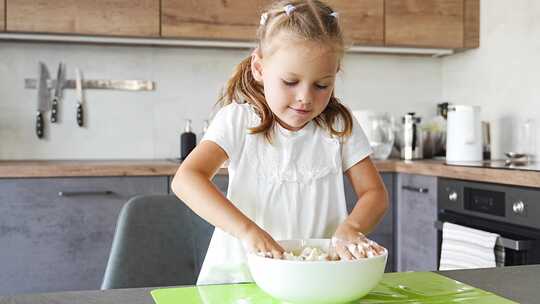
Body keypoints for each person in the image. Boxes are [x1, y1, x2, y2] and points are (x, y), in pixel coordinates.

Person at [171, 0, 388, 285]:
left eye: (322, 85)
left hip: (317, 280)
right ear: (259, 68)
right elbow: (186, 179)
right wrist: (248, 230)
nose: (305, 97)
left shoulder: (338, 126)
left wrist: (352, 227)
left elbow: (375, 193)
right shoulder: (237, 121)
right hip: (239, 279)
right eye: (290, 81)